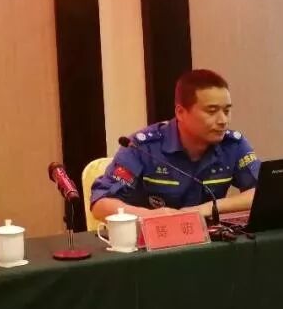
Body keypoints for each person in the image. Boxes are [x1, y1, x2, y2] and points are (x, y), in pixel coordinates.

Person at [90, 69, 260, 222]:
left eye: (227, 111)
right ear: (180, 112)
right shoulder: (142, 147)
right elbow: (100, 204)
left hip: (211, 239)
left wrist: (208, 208)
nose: (223, 120)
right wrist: (151, 216)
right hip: (154, 240)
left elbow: (262, 193)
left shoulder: (233, 144)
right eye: (212, 111)